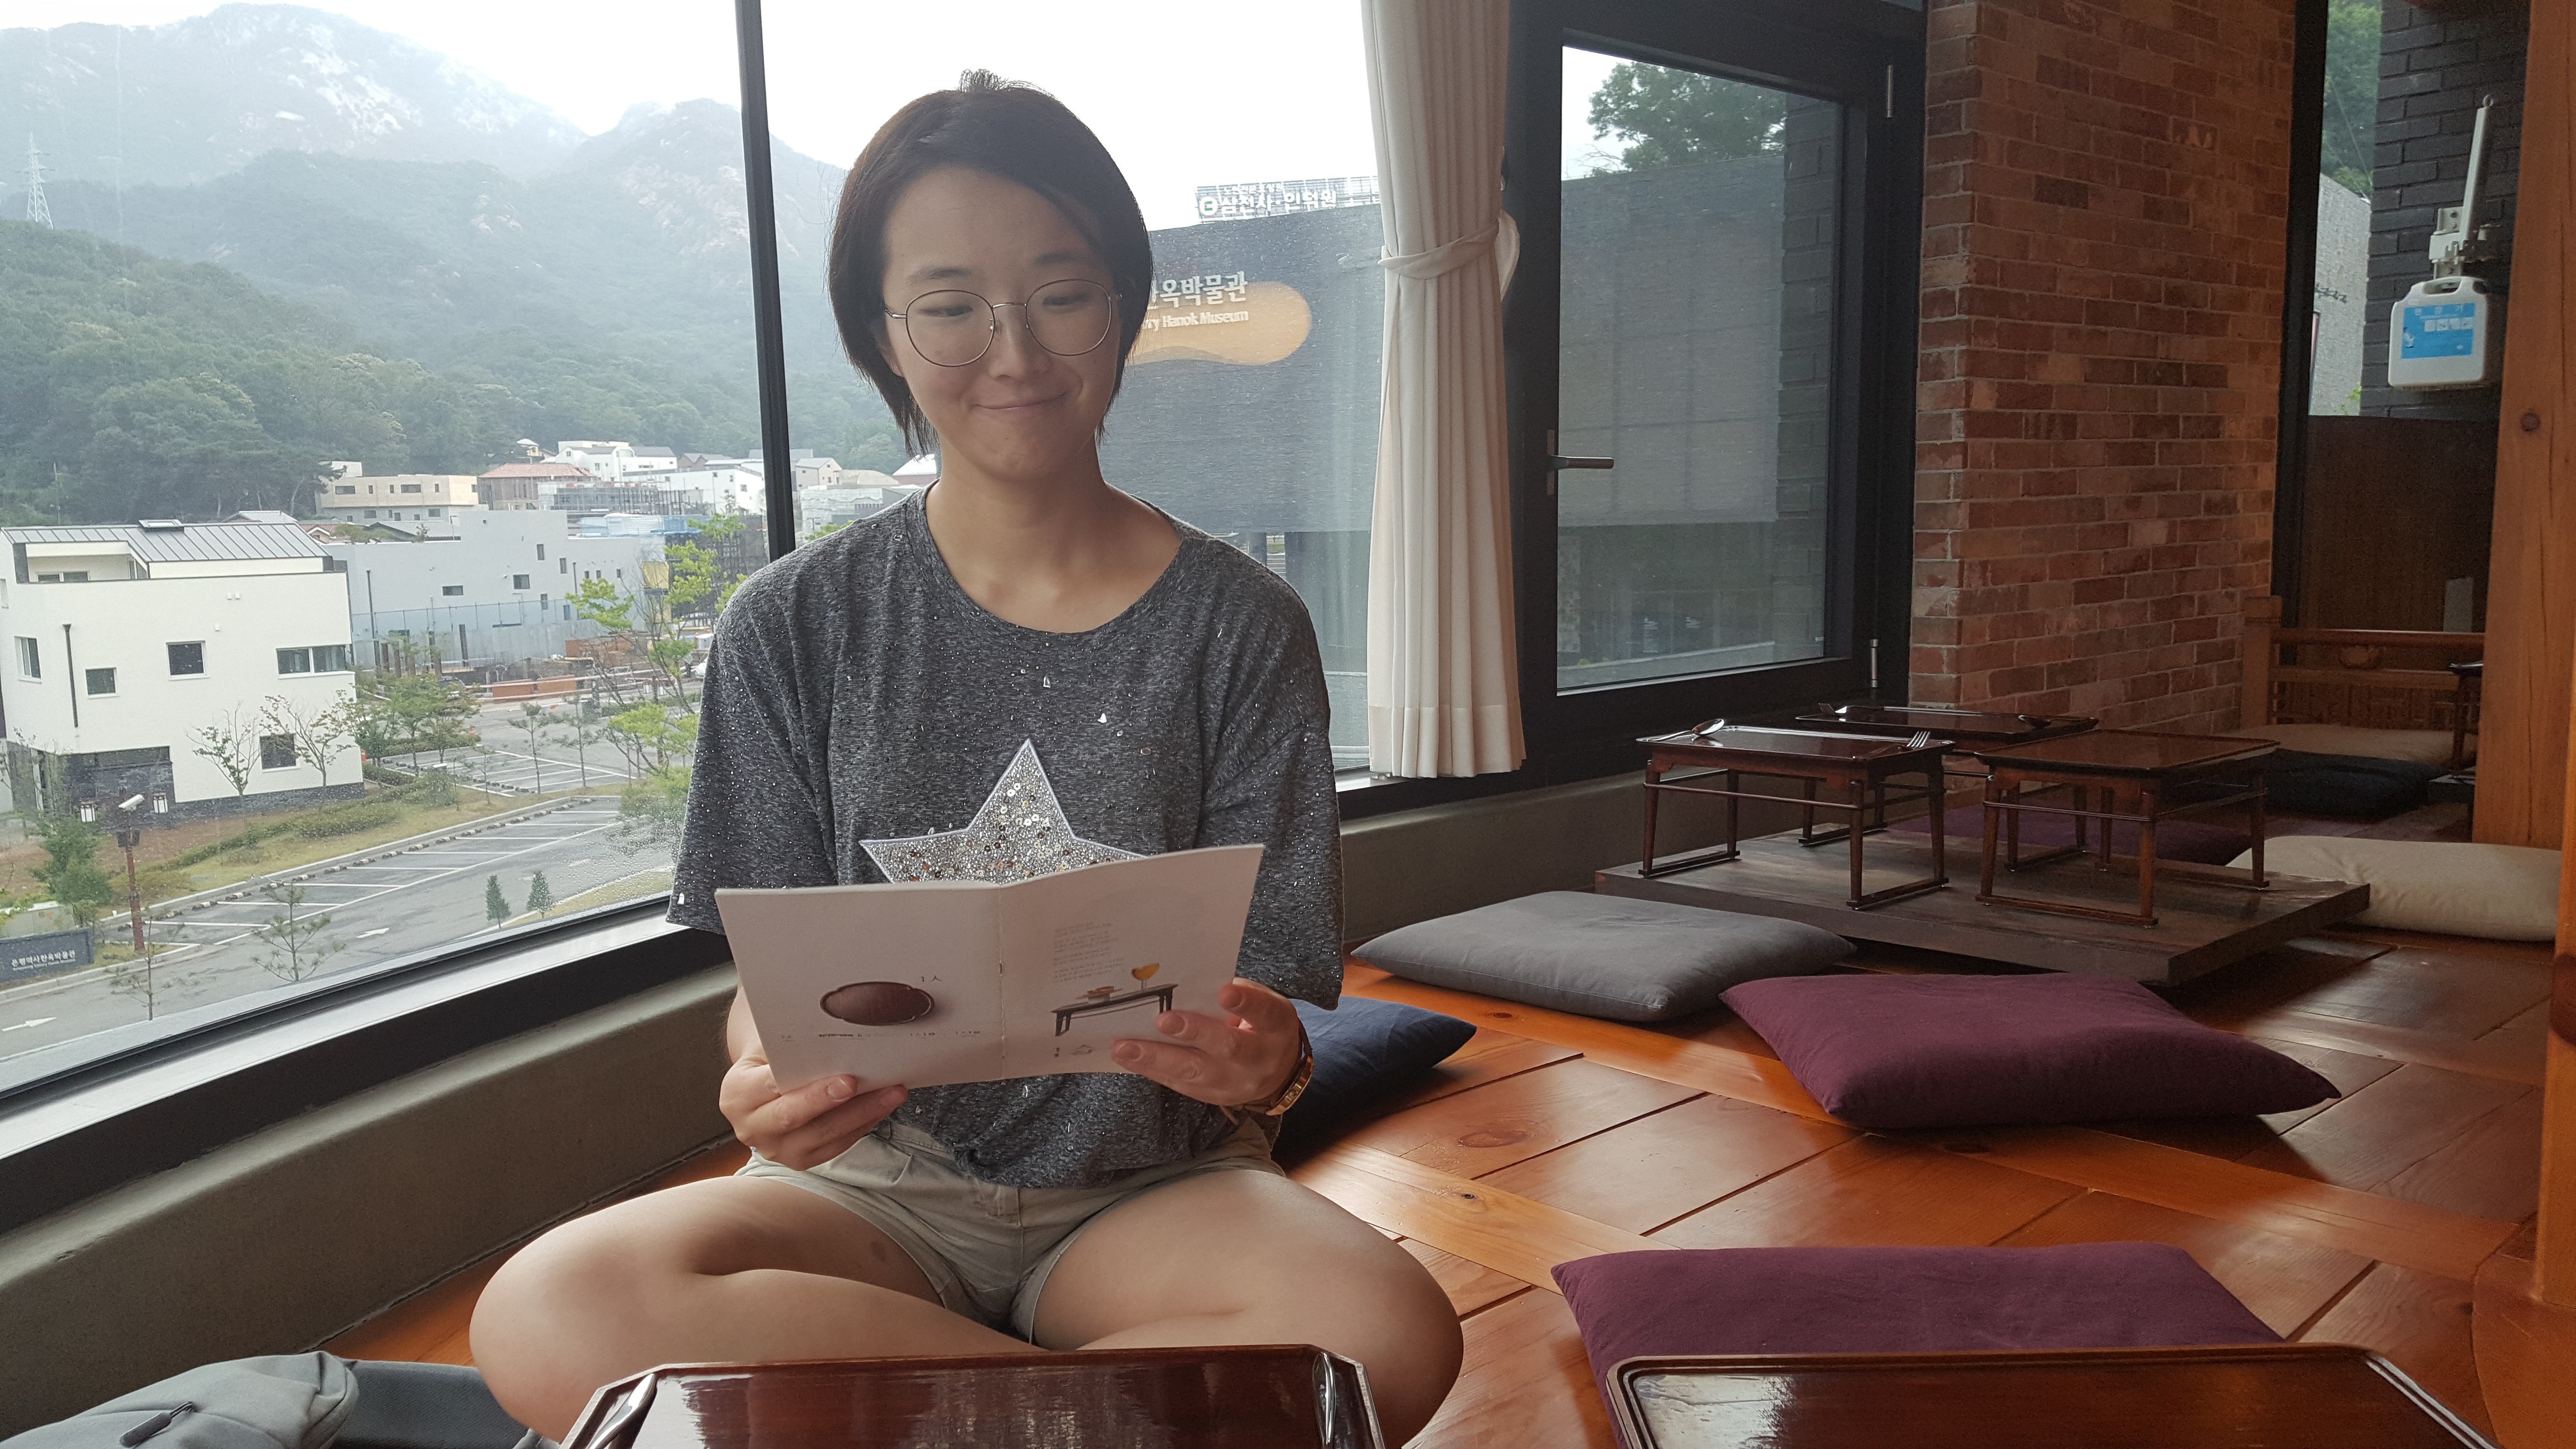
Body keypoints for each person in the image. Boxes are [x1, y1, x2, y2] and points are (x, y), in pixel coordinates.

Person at [468, 72, 1464, 1440]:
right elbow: (769, 984)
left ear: (1124, 307)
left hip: (1157, 1192)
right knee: (548, 1307)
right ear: (881, 337)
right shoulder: (793, 624)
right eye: (949, 306)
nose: (1015, 351)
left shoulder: (1242, 625)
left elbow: (1272, 993)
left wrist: (1266, 1060)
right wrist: (766, 1072)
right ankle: (1094, 1406)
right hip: (870, 1193)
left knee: (1389, 1332)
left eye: (1062, 293)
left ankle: (894, 1401)